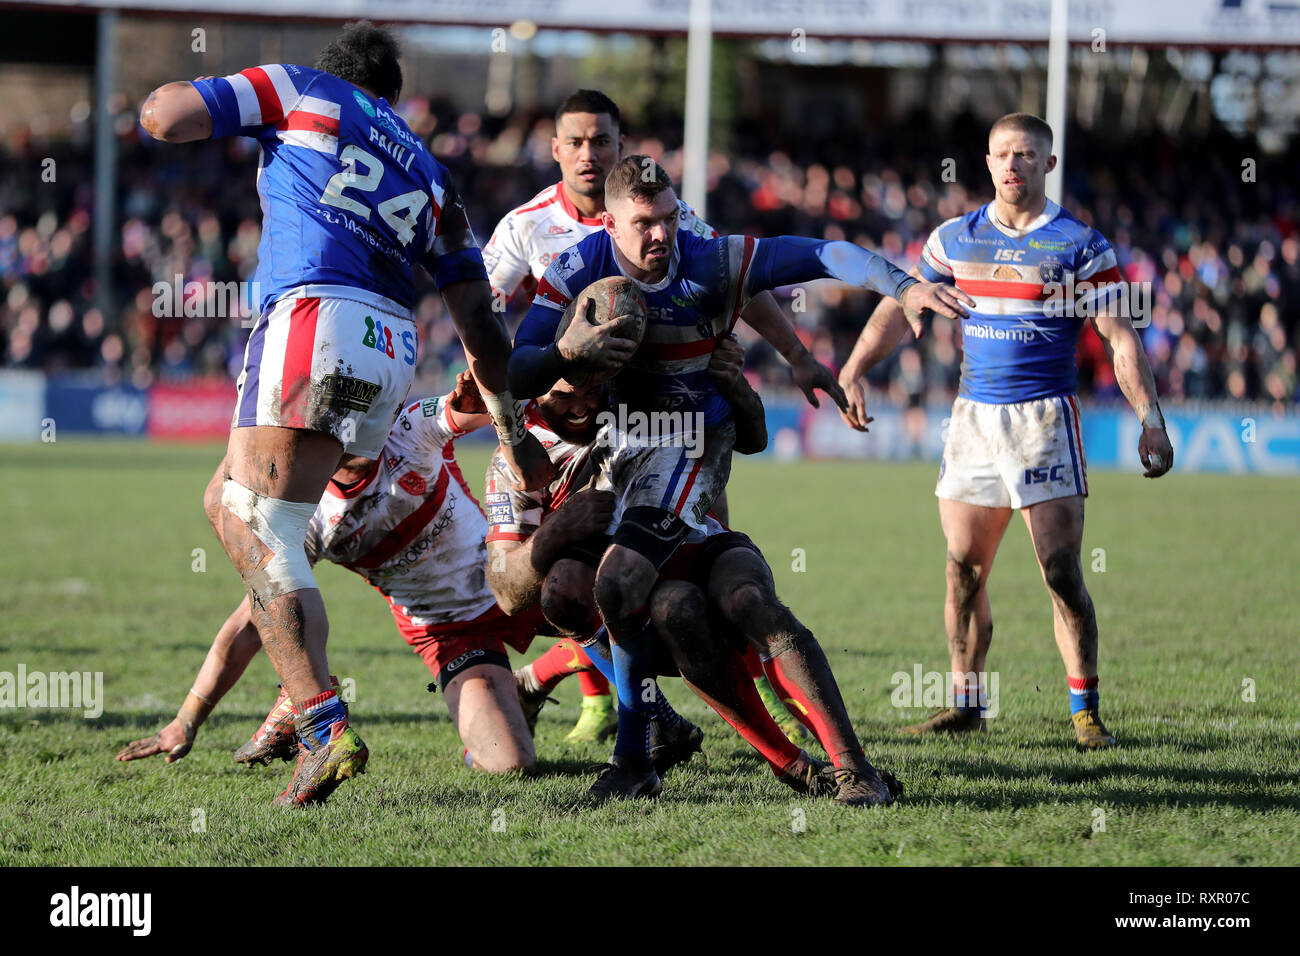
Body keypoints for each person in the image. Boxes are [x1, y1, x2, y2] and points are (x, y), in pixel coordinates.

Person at [138, 21, 550, 805]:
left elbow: (168, 118)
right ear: (393, 98)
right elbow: (481, 329)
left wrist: (155, 99)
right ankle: (302, 703)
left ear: (338, 73)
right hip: (390, 345)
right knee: (242, 510)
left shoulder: (300, 88)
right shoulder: (433, 176)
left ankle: (319, 722)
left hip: (314, 315)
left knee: (258, 527)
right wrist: (512, 433)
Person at [509, 155, 968, 799]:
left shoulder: (712, 261)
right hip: (624, 467)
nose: (662, 235)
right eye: (644, 223)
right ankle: (690, 754)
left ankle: (657, 761)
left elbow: (824, 253)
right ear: (609, 221)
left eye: (669, 218)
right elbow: (518, 368)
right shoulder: (578, 267)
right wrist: (563, 355)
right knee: (600, 596)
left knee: (625, 583)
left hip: (689, 453)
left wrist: (902, 284)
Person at [837, 113, 1173, 747]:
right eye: (1001, 155)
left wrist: (1150, 420)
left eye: (1025, 154)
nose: (1012, 164)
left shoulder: (1080, 245)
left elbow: (1120, 335)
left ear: (1048, 165)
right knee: (962, 569)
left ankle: (1084, 709)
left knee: (1061, 570)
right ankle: (966, 702)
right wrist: (852, 368)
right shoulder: (955, 239)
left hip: (1043, 421)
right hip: (972, 421)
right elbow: (901, 302)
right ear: (987, 163)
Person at [116, 373, 545, 774]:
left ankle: (547, 676)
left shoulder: (412, 428)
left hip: (513, 574)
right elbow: (251, 623)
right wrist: (186, 719)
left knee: (594, 601)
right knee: (509, 764)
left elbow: (492, 407)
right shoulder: (309, 518)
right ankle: (515, 695)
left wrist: (492, 397)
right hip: (448, 634)